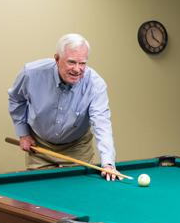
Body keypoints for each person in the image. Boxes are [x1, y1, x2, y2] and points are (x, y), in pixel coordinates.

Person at [8, 33, 121, 181]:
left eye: (82, 63)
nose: (77, 69)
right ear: (56, 59)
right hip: (40, 145)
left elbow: (102, 123)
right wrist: (23, 134)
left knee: (79, 192)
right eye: (72, 62)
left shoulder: (95, 84)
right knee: (41, 193)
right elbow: (16, 99)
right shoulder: (31, 73)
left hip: (77, 147)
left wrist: (108, 163)